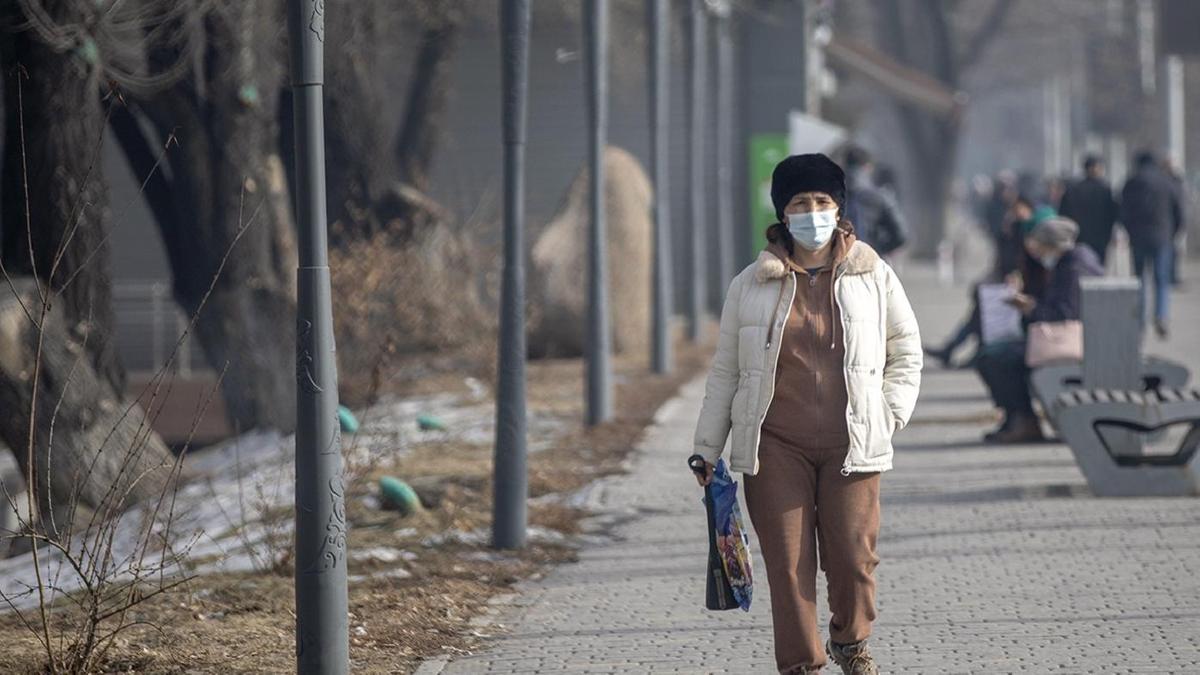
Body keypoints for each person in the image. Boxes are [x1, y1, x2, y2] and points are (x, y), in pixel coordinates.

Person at [691, 153, 922, 675]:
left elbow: (905, 349)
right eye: (800, 203)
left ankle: (850, 639)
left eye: (822, 202)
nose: (812, 212)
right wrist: (706, 449)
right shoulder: (751, 284)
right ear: (782, 213)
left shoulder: (871, 272)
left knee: (853, 562)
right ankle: (802, 664)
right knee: (789, 568)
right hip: (776, 447)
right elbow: (726, 372)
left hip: (853, 445)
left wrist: (889, 413)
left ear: (838, 208)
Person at [975, 216, 1104, 444]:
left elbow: (1062, 316)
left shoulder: (1074, 269)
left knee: (996, 358)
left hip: (1072, 344)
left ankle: (1024, 420)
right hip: (1071, 339)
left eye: (1041, 248)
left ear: (1054, 246)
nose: (1038, 254)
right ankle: (1016, 417)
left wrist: (1030, 308)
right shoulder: (1070, 263)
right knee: (990, 354)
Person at [1121, 151, 1183, 338]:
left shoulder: (1131, 182)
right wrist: (1174, 233)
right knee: (1161, 279)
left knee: (1139, 280)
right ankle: (1161, 315)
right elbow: (1178, 209)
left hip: (1138, 237)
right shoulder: (1166, 182)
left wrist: (1129, 231)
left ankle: (1139, 321)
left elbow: (1123, 211)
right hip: (1162, 236)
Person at [843, 145, 908, 257]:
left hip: (837, 263)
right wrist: (878, 249)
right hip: (870, 260)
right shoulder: (881, 197)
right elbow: (901, 236)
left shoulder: (829, 196)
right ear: (868, 167)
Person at [1058, 156, 1119, 264]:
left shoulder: (1073, 189)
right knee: (1097, 269)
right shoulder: (1105, 189)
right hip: (1100, 237)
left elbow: (1063, 213)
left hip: (1078, 236)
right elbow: (1113, 213)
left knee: (1079, 265)